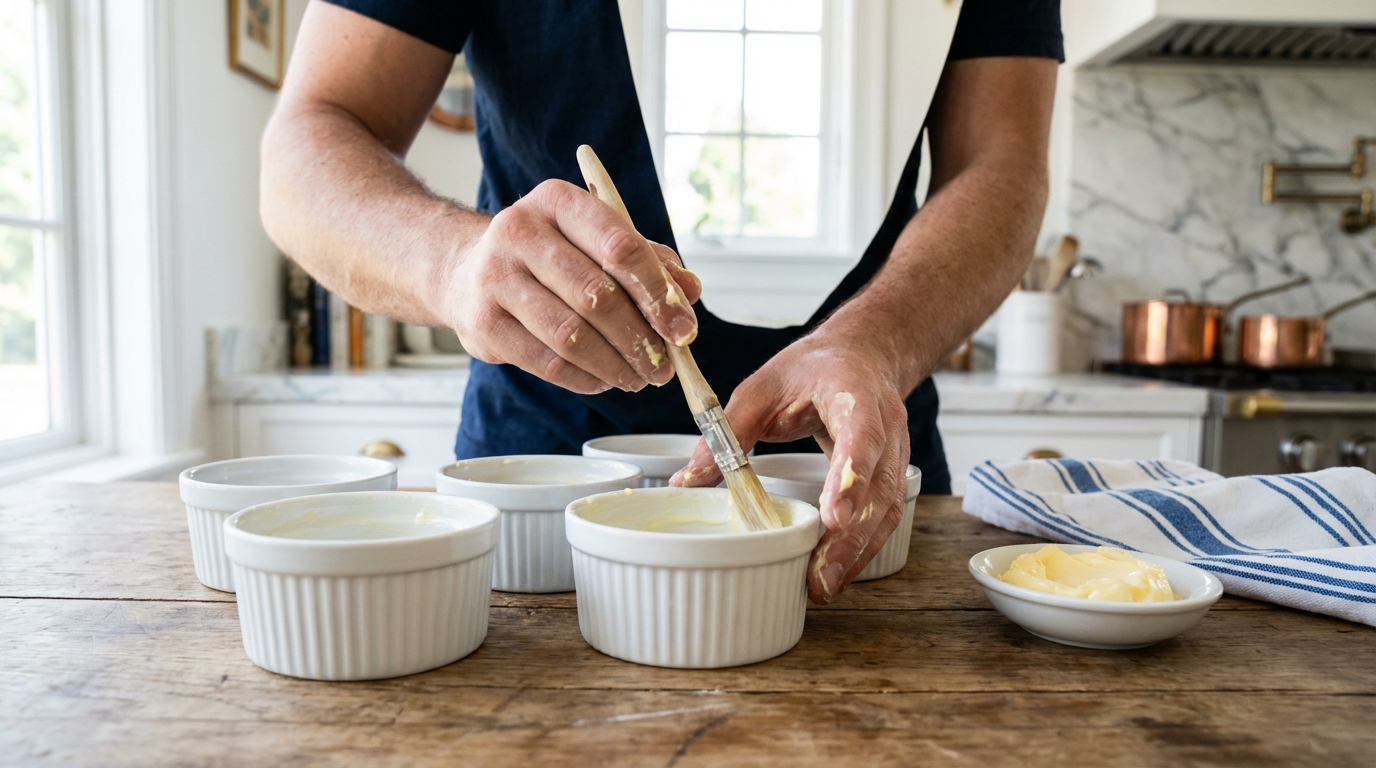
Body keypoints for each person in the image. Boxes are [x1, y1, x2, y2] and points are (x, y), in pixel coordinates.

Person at [259, 0, 1062, 604]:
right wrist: (455, 262)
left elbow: (1002, 161)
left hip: (859, 462)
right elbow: (304, 146)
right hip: (549, 472)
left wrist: (877, 341)